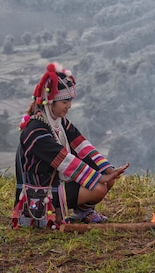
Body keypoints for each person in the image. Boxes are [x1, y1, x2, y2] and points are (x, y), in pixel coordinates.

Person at [11, 62, 129, 228]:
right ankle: (53, 213)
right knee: (99, 187)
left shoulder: (60, 122)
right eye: (64, 102)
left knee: (107, 181)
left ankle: (84, 211)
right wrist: (99, 177)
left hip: (58, 182)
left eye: (70, 101)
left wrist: (109, 170)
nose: (69, 106)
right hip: (42, 191)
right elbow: (63, 160)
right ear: (50, 101)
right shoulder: (35, 131)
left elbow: (82, 146)